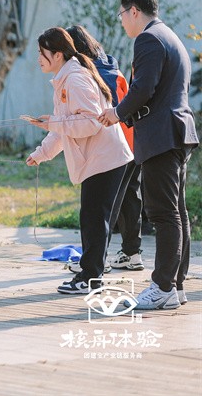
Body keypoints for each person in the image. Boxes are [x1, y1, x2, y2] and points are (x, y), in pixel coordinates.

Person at [99, 0, 198, 309]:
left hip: (161, 136)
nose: (122, 21)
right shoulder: (169, 36)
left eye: (122, 14)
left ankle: (163, 286)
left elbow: (143, 89)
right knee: (176, 212)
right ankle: (175, 286)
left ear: (134, 11)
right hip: (176, 133)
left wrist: (117, 113)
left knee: (164, 213)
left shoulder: (148, 39)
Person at [26, 27, 133, 295]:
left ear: (58, 54)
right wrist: (41, 154)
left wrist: (53, 122)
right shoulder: (65, 78)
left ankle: (91, 278)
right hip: (99, 159)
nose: (38, 58)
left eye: (42, 53)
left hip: (106, 158)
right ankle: (90, 275)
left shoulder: (75, 79)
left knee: (94, 219)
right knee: (92, 218)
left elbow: (90, 122)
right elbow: (63, 128)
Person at [66, 25, 144, 273]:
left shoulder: (90, 73)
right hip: (132, 139)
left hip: (114, 144)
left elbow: (94, 116)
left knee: (103, 206)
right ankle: (132, 254)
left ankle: (97, 261)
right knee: (128, 197)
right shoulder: (111, 65)